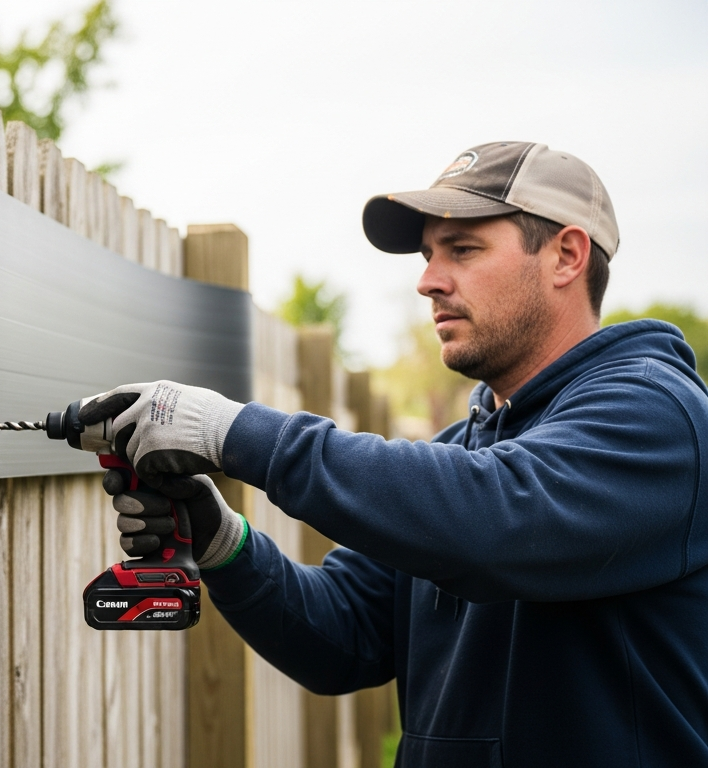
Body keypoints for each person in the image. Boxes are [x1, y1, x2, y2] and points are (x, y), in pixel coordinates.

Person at [81, 142, 708, 766]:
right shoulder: (462, 454)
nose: (428, 280)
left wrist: (232, 431)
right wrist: (224, 543)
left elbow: (494, 519)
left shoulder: (656, 417)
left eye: (463, 250)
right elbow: (342, 636)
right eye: (431, 254)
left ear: (566, 256)